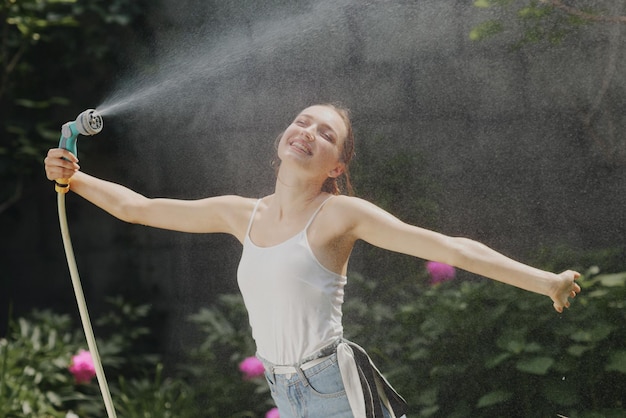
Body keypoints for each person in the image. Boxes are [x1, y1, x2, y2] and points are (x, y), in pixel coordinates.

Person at [44, 103, 581, 418]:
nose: (309, 132)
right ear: (283, 138)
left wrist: (546, 281)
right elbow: (138, 209)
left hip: (332, 387)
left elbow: (452, 248)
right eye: (303, 121)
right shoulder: (242, 214)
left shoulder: (340, 215)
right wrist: (74, 177)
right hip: (282, 387)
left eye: (327, 134)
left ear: (335, 166)